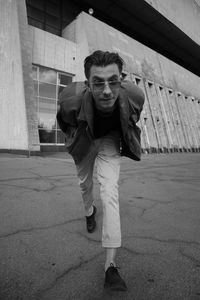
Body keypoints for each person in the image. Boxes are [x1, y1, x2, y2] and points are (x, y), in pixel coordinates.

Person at [57, 50, 145, 291]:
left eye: (113, 81)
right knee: (85, 184)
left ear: (121, 78)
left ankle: (110, 266)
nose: (107, 90)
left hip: (109, 139)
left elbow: (133, 116)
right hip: (85, 137)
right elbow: (63, 122)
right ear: (88, 84)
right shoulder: (71, 101)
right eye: (98, 82)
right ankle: (89, 211)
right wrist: (73, 139)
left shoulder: (135, 94)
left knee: (109, 192)